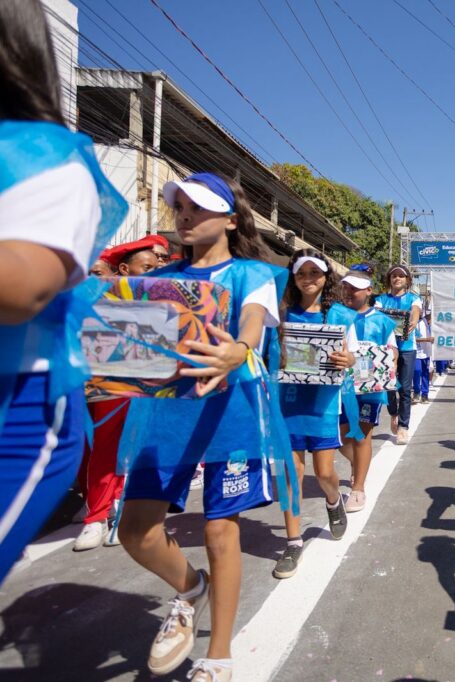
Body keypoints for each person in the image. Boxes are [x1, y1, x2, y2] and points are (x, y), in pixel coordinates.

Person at [117, 172, 284, 681]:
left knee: (219, 530)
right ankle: (192, 588)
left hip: (231, 416)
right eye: (182, 207)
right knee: (135, 531)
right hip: (165, 417)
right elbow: (132, 347)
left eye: (200, 207)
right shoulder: (160, 280)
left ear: (231, 221)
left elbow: (251, 321)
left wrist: (239, 348)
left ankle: (219, 654)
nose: (186, 215)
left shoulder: (252, 273)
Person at [0, 0, 127, 582]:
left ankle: (101, 511)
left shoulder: (43, 156)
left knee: (114, 451)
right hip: (92, 378)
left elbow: (22, 289)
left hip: (24, 398)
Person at [74, 235, 170, 552]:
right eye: (147, 267)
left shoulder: (163, 299)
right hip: (109, 384)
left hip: (150, 386)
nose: (154, 272)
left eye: (156, 267)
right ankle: (97, 516)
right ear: (125, 270)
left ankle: (125, 515)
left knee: (139, 451)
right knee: (103, 448)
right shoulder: (97, 299)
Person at [273, 249, 358, 579]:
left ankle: (334, 501)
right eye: (301, 273)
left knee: (324, 474)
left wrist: (348, 360)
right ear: (293, 277)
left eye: (315, 273)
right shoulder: (280, 313)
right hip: (288, 403)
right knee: (291, 473)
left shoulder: (341, 315)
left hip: (323, 405)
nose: (308, 279)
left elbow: (354, 356)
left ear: (326, 277)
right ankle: (293, 542)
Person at [340, 264, 398, 512]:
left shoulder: (383, 321)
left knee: (362, 435)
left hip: (369, 387)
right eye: (346, 287)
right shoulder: (336, 316)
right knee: (341, 436)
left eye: (355, 288)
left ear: (369, 291)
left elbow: (392, 350)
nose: (349, 292)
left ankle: (358, 489)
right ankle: (359, 464)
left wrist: (387, 362)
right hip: (340, 386)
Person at [375, 265, 421, 444]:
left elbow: (415, 311)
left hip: (407, 348)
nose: (397, 279)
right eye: (394, 276)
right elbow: (376, 317)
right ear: (389, 279)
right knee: (389, 386)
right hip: (386, 349)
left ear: (407, 280)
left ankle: (403, 427)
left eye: (401, 276)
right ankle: (393, 413)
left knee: (405, 389)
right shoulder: (380, 300)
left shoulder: (413, 298)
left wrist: (413, 320)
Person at [414, 312, 434, 403]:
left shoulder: (426, 321)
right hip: (415, 352)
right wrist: (426, 339)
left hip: (426, 353)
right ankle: (416, 392)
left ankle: (425, 395)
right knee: (417, 371)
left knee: (426, 373)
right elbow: (412, 339)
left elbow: (433, 314)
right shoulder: (412, 322)